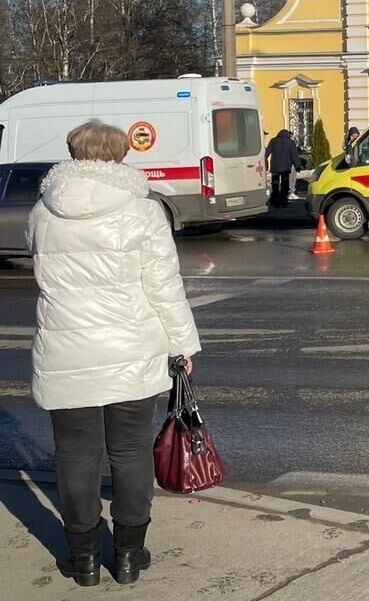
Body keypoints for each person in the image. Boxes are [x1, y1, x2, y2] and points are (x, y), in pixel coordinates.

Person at [27, 120, 201, 586]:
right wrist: (184, 344)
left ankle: (82, 559)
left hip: (65, 349)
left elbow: (40, 270)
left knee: (75, 455)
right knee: (129, 451)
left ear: (73, 153)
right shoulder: (142, 213)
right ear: (121, 155)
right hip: (132, 349)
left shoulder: (43, 211)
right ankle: (128, 555)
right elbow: (164, 286)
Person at [265, 129, 303, 207]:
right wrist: (297, 166)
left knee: (275, 183)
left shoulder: (273, 141)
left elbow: (267, 153)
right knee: (284, 184)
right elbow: (294, 156)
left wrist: (264, 162)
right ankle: (283, 200)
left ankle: (275, 199)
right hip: (286, 167)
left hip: (275, 166)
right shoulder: (291, 142)